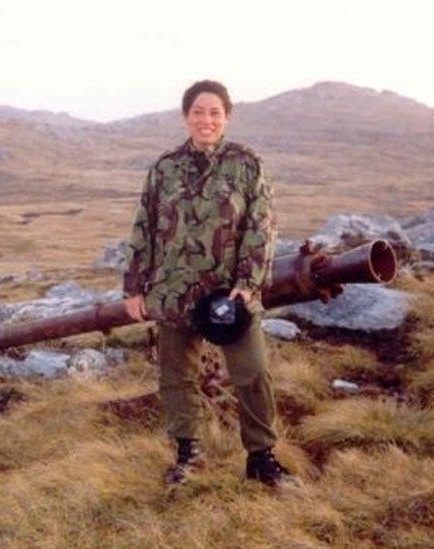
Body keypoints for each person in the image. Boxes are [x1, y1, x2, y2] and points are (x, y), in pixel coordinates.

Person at [122, 80, 293, 487]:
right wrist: (134, 287)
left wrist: (248, 286)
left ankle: (262, 458)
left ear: (227, 118)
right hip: (174, 290)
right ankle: (188, 454)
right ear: (186, 117)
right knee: (176, 375)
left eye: (215, 113)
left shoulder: (247, 165)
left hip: (229, 295)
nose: (206, 120)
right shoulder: (164, 168)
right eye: (198, 112)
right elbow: (143, 227)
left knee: (252, 373)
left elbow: (261, 227)